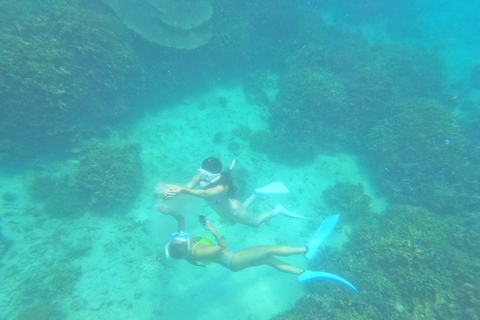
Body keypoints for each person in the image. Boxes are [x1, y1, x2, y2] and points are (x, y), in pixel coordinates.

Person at [156, 204, 358, 293]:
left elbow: (180, 219)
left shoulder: (181, 242)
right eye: (177, 240)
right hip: (232, 259)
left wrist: (168, 211)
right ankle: (307, 250)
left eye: (175, 239)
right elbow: (221, 246)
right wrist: (211, 228)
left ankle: (303, 273)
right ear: (182, 248)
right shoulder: (197, 252)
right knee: (270, 248)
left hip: (231, 260)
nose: (179, 237)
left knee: (270, 260)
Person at [162, 157, 307, 227]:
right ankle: (255, 194)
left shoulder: (222, 186)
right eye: (201, 172)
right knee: (231, 222)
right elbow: (188, 185)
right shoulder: (200, 176)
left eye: (205, 173)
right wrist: (176, 190)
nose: (201, 175)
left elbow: (205, 194)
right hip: (223, 210)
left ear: (214, 175)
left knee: (254, 223)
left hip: (234, 209)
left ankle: (278, 211)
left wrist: (182, 190)